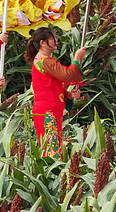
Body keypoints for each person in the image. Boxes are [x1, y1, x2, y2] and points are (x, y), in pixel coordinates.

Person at [25, 27, 85, 156]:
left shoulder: (42, 61)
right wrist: (77, 58)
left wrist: (69, 95)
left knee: (50, 146)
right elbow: (68, 75)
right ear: (42, 43)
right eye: (52, 39)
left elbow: (51, 86)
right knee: (51, 149)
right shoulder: (45, 61)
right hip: (48, 109)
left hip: (48, 108)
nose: (56, 41)